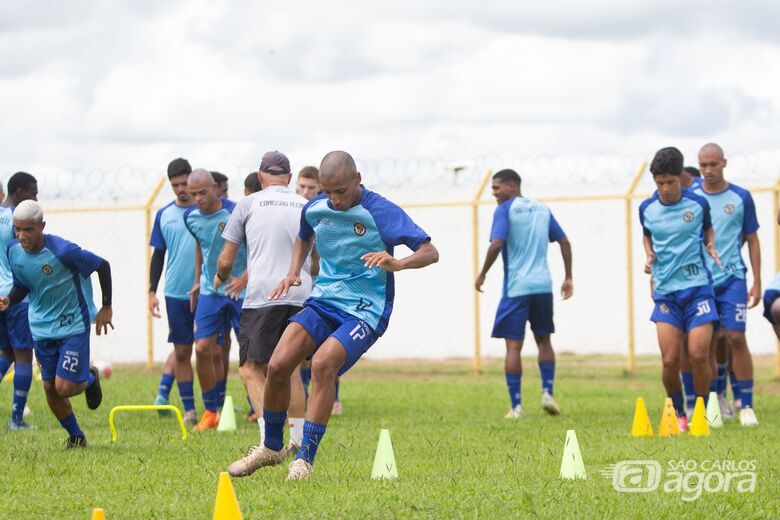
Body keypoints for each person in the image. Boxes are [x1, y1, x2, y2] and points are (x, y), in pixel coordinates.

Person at [226, 150, 438, 481]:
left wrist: (398, 263)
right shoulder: (315, 207)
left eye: (341, 191)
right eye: (328, 191)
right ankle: (270, 448)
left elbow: (429, 251)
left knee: (324, 364)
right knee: (278, 364)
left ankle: (305, 460)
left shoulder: (380, 211)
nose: (335, 200)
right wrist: (294, 271)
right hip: (324, 299)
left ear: (358, 179)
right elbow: (303, 236)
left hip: (365, 309)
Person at [0, 200, 113, 447]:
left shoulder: (63, 251)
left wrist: (106, 306)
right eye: (18, 229)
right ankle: (76, 437)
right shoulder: (13, 251)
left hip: (72, 324)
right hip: (41, 328)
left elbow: (102, 266)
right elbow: (23, 284)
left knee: (65, 387)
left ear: (42, 226)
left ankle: (89, 378)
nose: (22, 235)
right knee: (50, 387)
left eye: (28, 229)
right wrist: (9, 299)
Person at [220, 151, 309, 461]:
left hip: (263, 297)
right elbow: (318, 257)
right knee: (293, 369)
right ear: (289, 177)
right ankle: (297, 440)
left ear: (260, 178)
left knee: (251, 369)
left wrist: (220, 276)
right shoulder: (305, 205)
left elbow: (226, 259)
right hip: (302, 293)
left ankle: (267, 443)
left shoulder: (248, 204)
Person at [475, 169, 572, 419]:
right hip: (543, 286)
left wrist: (483, 272)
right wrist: (568, 277)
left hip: (517, 288)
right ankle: (547, 393)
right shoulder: (542, 209)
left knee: (513, 346)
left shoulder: (505, 209)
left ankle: (516, 407)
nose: (494, 193)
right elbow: (564, 241)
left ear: (512, 186)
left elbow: (496, 243)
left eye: (497, 188)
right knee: (544, 340)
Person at [640, 146, 720, 432]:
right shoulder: (647, 209)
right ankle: (677, 411)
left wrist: (710, 243)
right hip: (666, 294)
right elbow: (647, 236)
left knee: (699, 354)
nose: (664, 188)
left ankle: (701, 411)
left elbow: (708, 230)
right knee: (670, 359)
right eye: (659, 183)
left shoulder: (698, 205)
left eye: (670, 182)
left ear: (680, 178)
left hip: (698, 289)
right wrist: (649, 255)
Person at [693, 143, 760, 427]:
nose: (708, 171)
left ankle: (746, 404)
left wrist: (756, 280)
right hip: (701, 280)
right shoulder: (692, 198)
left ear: (724, 163)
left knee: (735, 337)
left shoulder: (741, 196)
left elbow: (752, 238)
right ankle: (716, 399)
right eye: (703, 165)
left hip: (732, 277)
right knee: (709, 342)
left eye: (713, 165)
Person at [185, 169, 247, 431]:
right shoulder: (191, 218)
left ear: (215, 188)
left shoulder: (237, 211)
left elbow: (257, 245)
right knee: (201, 349)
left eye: (203, 192)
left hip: (241, 290)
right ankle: (210, 410)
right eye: (193, 194)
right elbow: (202, 244)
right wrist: (199, 280)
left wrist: (245, 277)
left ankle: (261, 408)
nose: (198, 198)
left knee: (252, 352)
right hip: (212, 290)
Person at [148, 158, 198, 425]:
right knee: (181, 352)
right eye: (175, 185)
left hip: (207, 293)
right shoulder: (164, 215)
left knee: (208, 350)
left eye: (184, 183)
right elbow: (158, 255)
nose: (181, 189)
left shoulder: (205, 211)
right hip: (176, 294)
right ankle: (189, 411)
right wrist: (151, 291)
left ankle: (216, 403)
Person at [0, 172, 39, 429]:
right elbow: (27, 256)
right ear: (20, 191)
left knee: (6, 353)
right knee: (24, 357)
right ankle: (16, 419)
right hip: (16, 295)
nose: (36, 199)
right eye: (33, 193)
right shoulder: (19, 221)